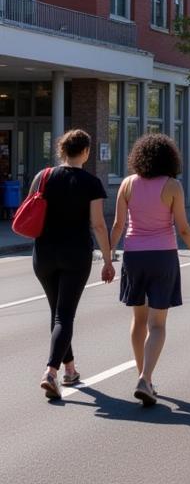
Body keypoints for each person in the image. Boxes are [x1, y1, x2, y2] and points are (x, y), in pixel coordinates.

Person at [110, 133, 190, 406]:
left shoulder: (127, 184)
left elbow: (118, 225)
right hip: (163, 256)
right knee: (158, 324)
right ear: (170, 158)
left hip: (134, 257)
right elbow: (184, 228)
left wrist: (108, 258)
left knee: (138, 320)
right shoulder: (173, 186)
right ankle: (145, 378)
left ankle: (145, 377)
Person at [33, 129, 115, 401]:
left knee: (57, 313)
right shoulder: (91, 183)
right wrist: (107, 259)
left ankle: (70, 369)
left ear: (62, 150)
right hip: (75, 255)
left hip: (43, 254)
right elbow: (99, 225)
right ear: (86, 152)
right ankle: (50, 372)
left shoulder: (42, 177)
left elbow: (33, 210)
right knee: (64, 315)